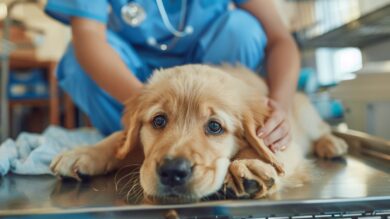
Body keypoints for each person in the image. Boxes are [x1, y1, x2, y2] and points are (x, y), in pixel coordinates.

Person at [45, 0, 300, 152]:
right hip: (137, 87)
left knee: (244, 28)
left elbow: (280, 40)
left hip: (209, 81)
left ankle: (217, 133)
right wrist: (147, 108)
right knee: (75, 59)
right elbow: (88, 37)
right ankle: (138, 137)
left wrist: (281, 107)